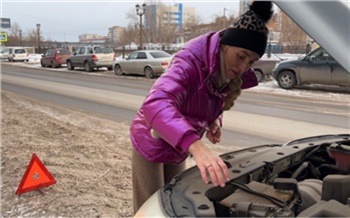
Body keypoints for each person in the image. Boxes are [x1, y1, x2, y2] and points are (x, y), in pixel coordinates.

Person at [130, 1, 274, 213]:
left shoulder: (224, 69)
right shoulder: (190, 61)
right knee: (150, 208)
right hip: (152, 138)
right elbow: (156, 103)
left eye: (251, 62)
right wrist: (196, 146)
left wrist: (213, 120)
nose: (243, 67)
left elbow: (209, 98)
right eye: (241, 56)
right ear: (226, 44)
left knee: (173, 204)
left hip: (179, 142)